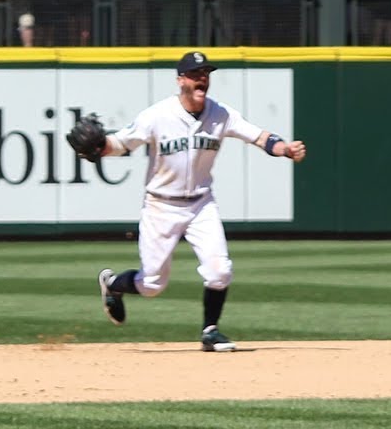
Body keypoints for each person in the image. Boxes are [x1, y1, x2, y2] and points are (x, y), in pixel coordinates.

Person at [84, 51, 307, 352]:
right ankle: (112, 285)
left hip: (201, 203)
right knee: (151, 286)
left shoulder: (221, 114)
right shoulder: (157, 115)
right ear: (180, 80)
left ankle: (210, 331)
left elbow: (259, 136)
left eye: (206, 73)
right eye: (195, 74)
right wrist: (98, 147)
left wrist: (285, 149)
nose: (202, 78)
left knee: (220, 271)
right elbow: (121, 143)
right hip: (161, 205)